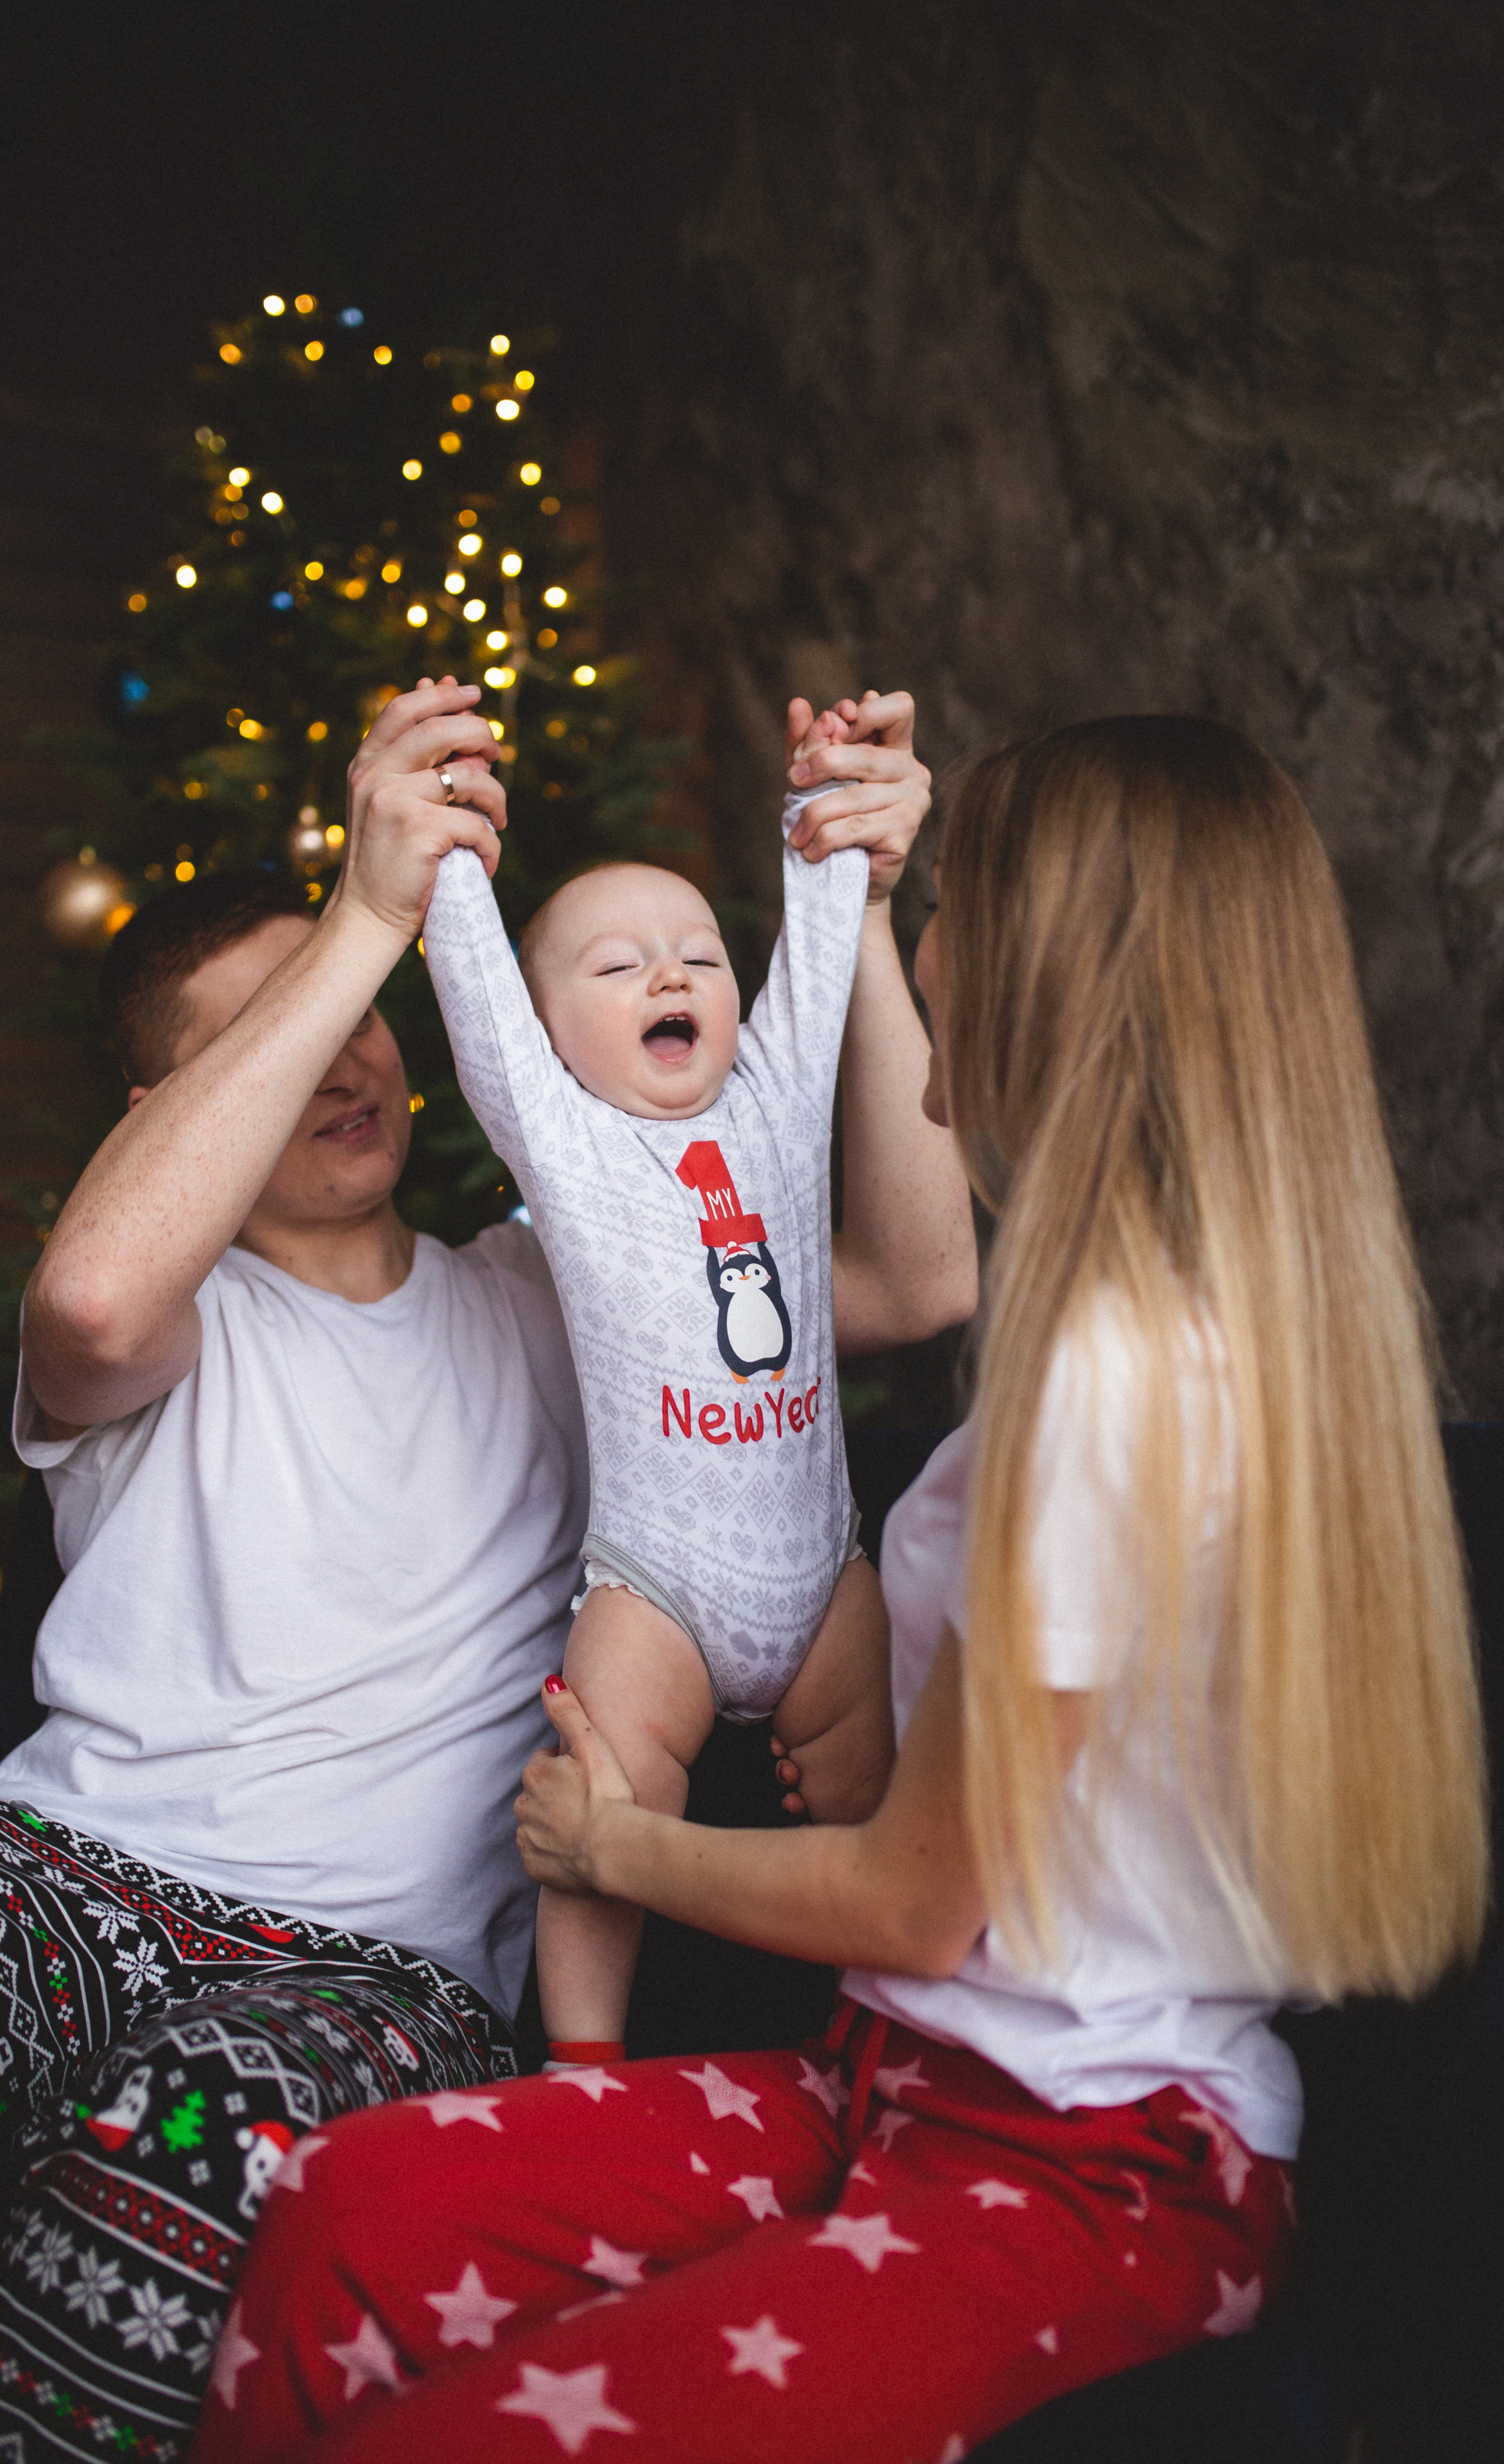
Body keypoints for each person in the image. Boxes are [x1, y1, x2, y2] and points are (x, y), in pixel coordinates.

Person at [191, 714, 1491, 2464]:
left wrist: (612, 1847)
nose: (921, 932)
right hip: (893, 2083)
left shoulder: (1121, 1380)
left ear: (1043, 965)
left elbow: (921, 1904)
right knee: (354, 2207)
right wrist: (839, 883)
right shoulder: (1113, 1332)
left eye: (946, 900)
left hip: (1094, 2154)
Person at [0, 677, 975, 2464]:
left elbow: (918, 1287)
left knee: (204, 2121)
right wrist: (365, 911)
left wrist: (879, 901)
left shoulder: (558, 1293)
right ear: (179, 1104)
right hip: (61, 1871)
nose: (353, 1051)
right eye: (286, 1031)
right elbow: (83, 1297)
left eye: (365, 1012)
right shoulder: (157, 1330)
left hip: (375, 1975)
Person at [421, 697, 897, 2073]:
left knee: (868, 1792)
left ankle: (873, 2032)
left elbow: (814, 963)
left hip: (825, 1571)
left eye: (695, 956)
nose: (668, 977)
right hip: (659, 1586)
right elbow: (476, 1002)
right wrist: (451, 849)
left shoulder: (773, 1099)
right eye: (617, 967)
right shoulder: (563, 1146)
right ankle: (580, 2062)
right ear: (551, 1035)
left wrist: (822, 809)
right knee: (603, 1802)